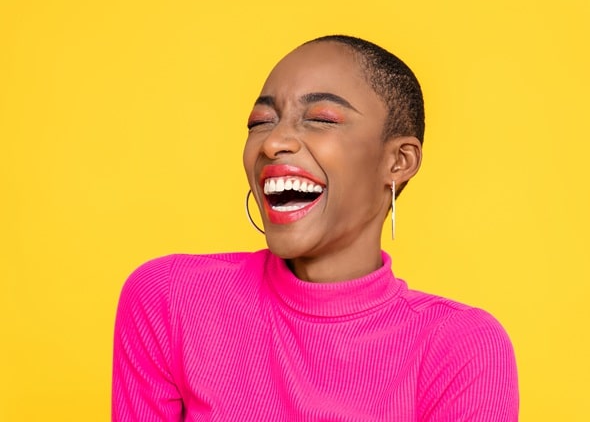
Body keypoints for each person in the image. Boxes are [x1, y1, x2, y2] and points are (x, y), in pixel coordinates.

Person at [112, 35, 519, 421]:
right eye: (260, 122)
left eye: (321, 118)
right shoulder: (170, 299)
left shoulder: (460, 349)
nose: (273, 142)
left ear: (399, 161)